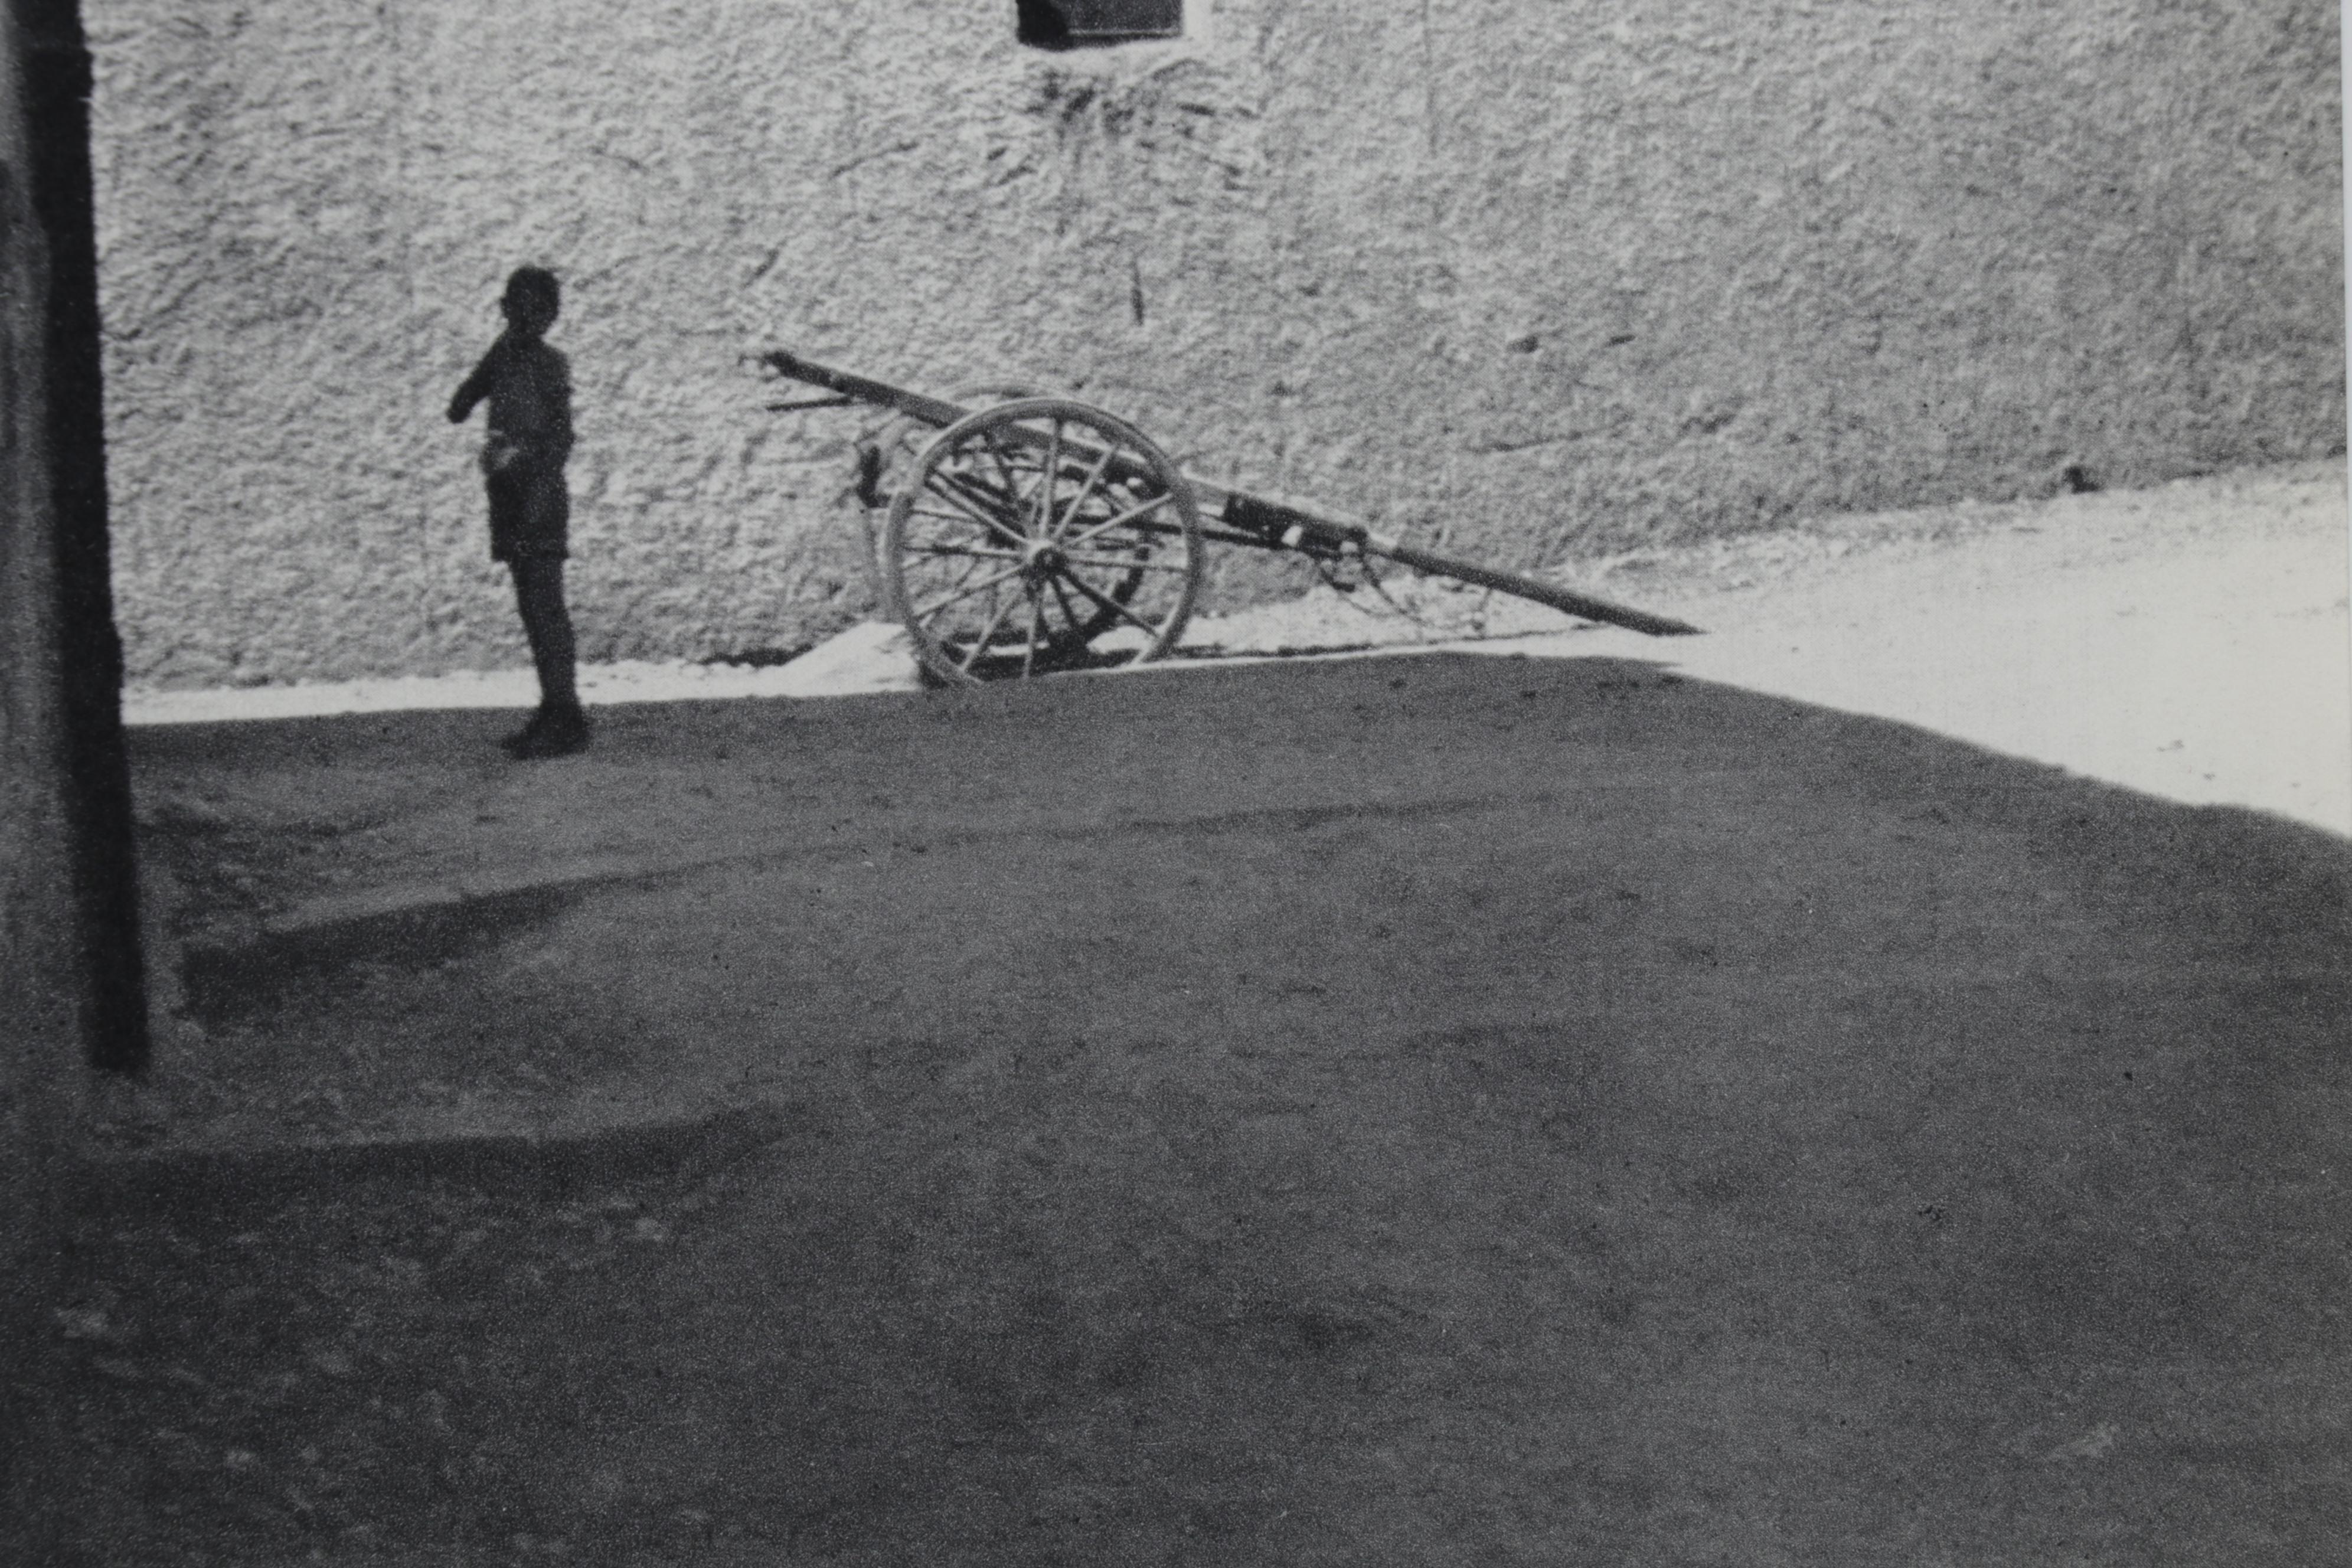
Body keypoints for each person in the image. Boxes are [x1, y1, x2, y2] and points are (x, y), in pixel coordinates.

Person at [447, 266, 588, 758]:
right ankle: (554, 709)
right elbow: (459, 405)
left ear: (550, 316)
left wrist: (518, 455)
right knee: (531, 604)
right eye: (517, 308)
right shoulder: (505, 355)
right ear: (506, 309)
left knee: (545, 603)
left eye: (536, 311)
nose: (526, 320)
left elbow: (561, 439)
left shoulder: (551, 364)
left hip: (539, 498)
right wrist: (491, 366)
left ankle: (566, 714)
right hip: (508, 495)